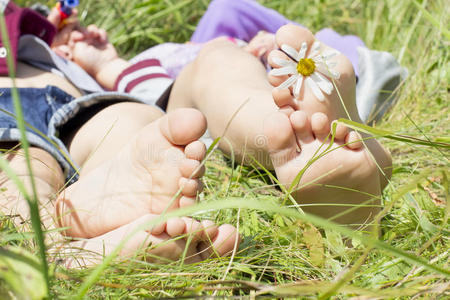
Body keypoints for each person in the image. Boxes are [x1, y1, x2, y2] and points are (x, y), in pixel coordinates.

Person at [0, 0, 392, 267]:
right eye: (69, 34)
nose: (81, 32)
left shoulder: (48, 40)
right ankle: (52, 251)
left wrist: (71, 38)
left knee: (138, 129)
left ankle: (300, 142)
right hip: (8, 107)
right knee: (24, 165)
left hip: (95, 105)